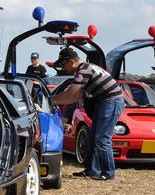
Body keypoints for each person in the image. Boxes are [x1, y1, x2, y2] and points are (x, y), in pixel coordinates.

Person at [51, 47, 124, 180]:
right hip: (107, 102)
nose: (63, 68)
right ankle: (92, 170)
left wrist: (50, 99)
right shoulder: (87, 68)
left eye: (63, 64)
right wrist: (54, 102)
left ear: (71, 61)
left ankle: (108, 173)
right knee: (92, 138)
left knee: (102, 138)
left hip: (110, 102)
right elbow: (74, 98)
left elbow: (70, 92)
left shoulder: (83, 71)